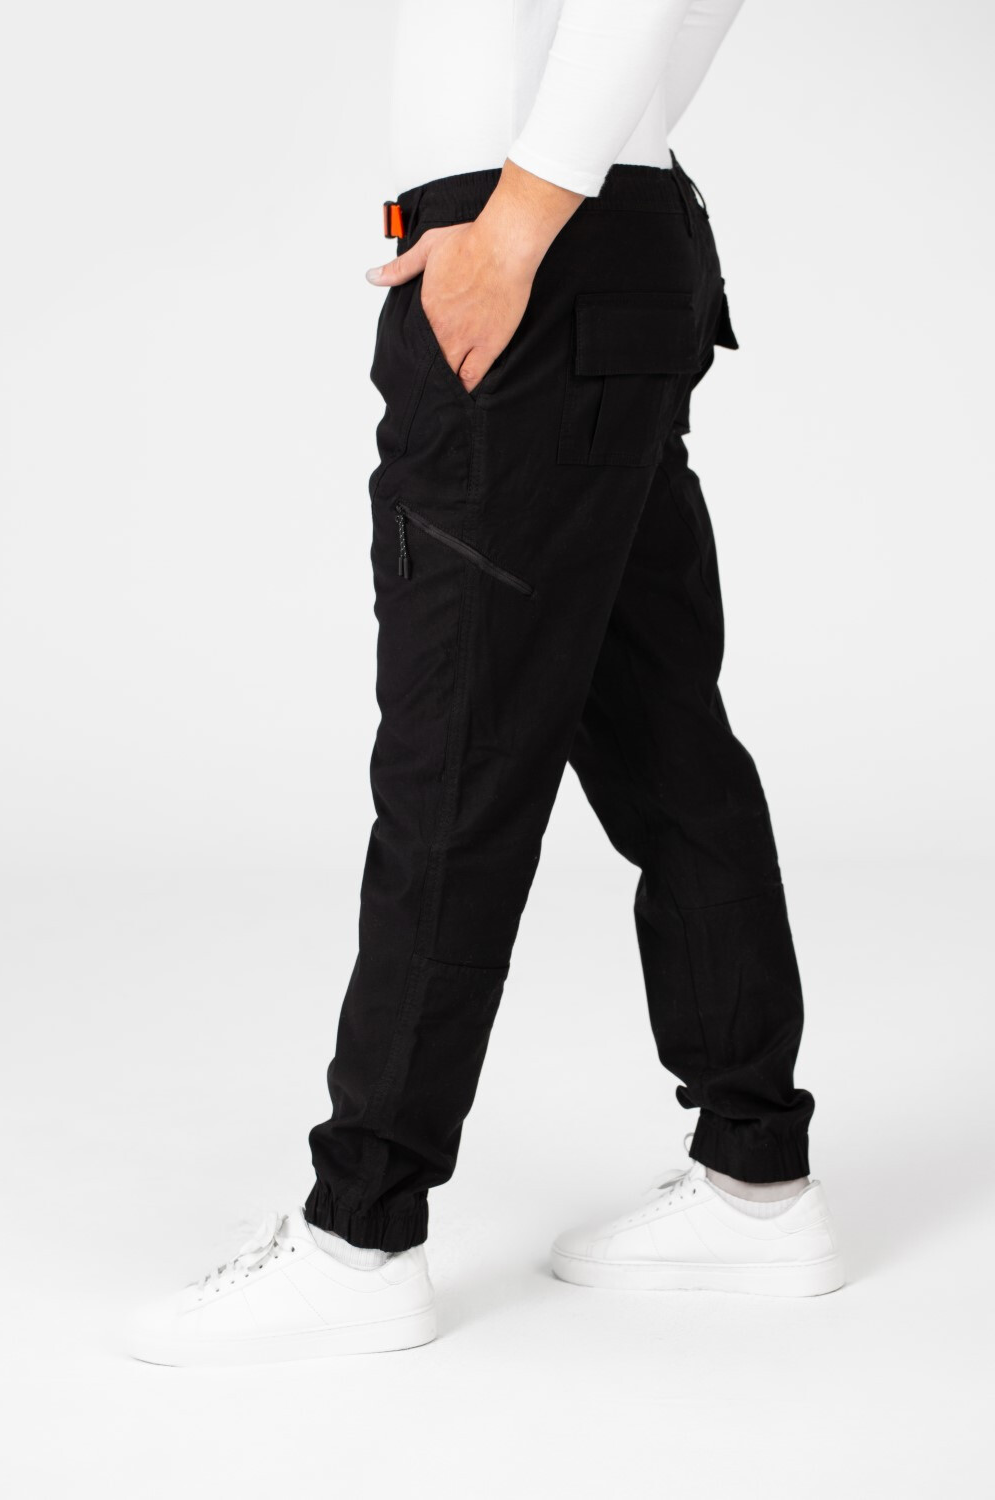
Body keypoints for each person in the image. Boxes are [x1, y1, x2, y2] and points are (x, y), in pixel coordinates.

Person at [128, 0, 844, 1368]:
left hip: (533, 250)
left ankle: (360, 1237)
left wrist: (514, 229)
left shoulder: (518, 231)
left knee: (455, 758)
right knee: (664, 739)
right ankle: (755, 1179)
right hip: (614, 231)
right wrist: (598, 169)